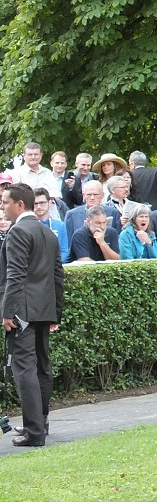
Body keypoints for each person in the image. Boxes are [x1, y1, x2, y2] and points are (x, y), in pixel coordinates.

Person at [1, 182, 65, 447]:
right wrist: (55, 314)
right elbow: (58, 277)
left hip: (22, 312)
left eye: (5, 202)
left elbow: (14, 275)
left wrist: (7, 312)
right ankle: (41, 423)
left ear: (19, 204)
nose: (2, 206)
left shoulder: (17, 232)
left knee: (24, 368)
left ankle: (34, 431)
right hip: (43, 309)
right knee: (42, 366)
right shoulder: (48, 232)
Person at [32, 188, 69, 263]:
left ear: (49, 203)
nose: (38, 206)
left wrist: (55, 265)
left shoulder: (60, 225)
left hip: (55, 268)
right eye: (35, 204)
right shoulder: (29, 226)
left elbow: (64, 250)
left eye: (42, 203)